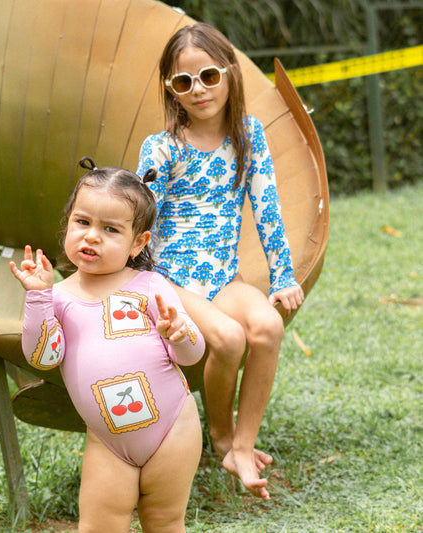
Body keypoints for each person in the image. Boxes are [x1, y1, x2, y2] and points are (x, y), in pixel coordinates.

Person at [136, 22, 305, 501]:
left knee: (267, 327)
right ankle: (221, 435)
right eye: (183, 82)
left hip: (222, 279)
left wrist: (284, 275)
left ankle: (244, 445)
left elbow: (267, 207)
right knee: (229, 339)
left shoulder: (247, 135)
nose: (199, 90)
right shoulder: (162, 148)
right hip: (171, 281)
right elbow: (137, 217)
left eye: (208, 76)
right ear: (171, 90)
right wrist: (135, 285)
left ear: (230, 73)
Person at [9, 157, 205, 532]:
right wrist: (38, 298)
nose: (92, 236)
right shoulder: (58, 297)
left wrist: (180, 332)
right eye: (82, 222)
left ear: (138, 243)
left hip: (172, 430)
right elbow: (43, 357)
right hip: (108, 442)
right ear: (68, 223)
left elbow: (192, 355)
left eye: (111, 229)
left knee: (164, 521)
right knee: (99, 525)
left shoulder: (149, 286)